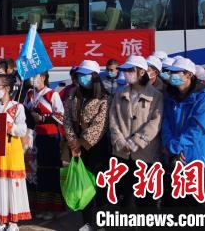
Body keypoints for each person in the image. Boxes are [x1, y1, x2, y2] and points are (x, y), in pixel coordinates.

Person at [161, 57, 205, 210]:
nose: (171, 75)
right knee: (177, 207)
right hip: (175, 159)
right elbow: (165, 123)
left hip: (195, 158)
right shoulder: (170, 96)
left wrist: (174, 147)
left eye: (175, 72)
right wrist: (169, 145)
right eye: (170, 72)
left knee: (197, 207)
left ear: (189, 75)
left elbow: (198, 129)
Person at [109, 55, 163, 208]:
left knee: (146, 199)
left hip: (146, 154)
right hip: (122, 154)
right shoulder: (120, 94)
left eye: (130, 70)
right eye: (125, 70)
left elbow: (155, 122)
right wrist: (120, 141)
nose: (126, 73)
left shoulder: (156, 95)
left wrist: (135, 142)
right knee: (126, 199)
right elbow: (113, 120)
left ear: (141, 72)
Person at [64, 60, 110, 231]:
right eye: (80, 75)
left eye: (86, 75)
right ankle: (87, 222)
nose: (82, 78)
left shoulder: (104, 98)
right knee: (84, 185)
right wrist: (73, 141)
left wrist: (82, 143)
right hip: (77, 147)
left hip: (96, 148)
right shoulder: (74, 95)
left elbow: (100, 125)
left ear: (95, 76)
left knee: (99, 186)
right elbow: (67, 118)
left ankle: (100, 223)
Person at [0, 74, 31, 231]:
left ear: (8, 88)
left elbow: (23, 129)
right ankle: (0, 221)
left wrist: (10, 127)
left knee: (11, 185)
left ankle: (13, 222)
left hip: (11, 152)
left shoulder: (18, 107)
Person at [24, 71, 64, 219]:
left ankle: (52, 208)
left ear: (43, 77)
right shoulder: (29, 94)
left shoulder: (52, 94)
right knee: (34, 173)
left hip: (49, 137)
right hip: (32, 138)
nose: (32, 79)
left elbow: (61, 116)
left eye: (35, 76)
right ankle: (36, 207)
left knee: (49, 173)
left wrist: (43, 117)